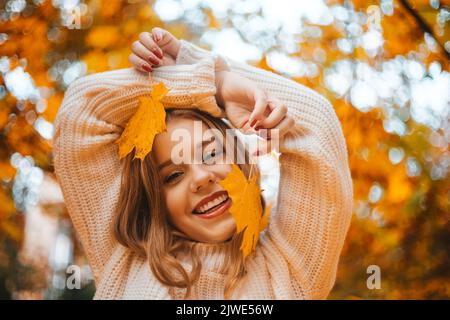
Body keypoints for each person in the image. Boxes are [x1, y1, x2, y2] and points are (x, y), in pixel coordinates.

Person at [52, 27, 353, 299]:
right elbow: (82, 112)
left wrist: (205, 74)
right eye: (172, 176)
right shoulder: (125, 259)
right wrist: (206, 82)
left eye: (211, 154)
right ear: (156, 204)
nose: (200, 178)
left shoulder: (288, 272)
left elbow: (315, 123)